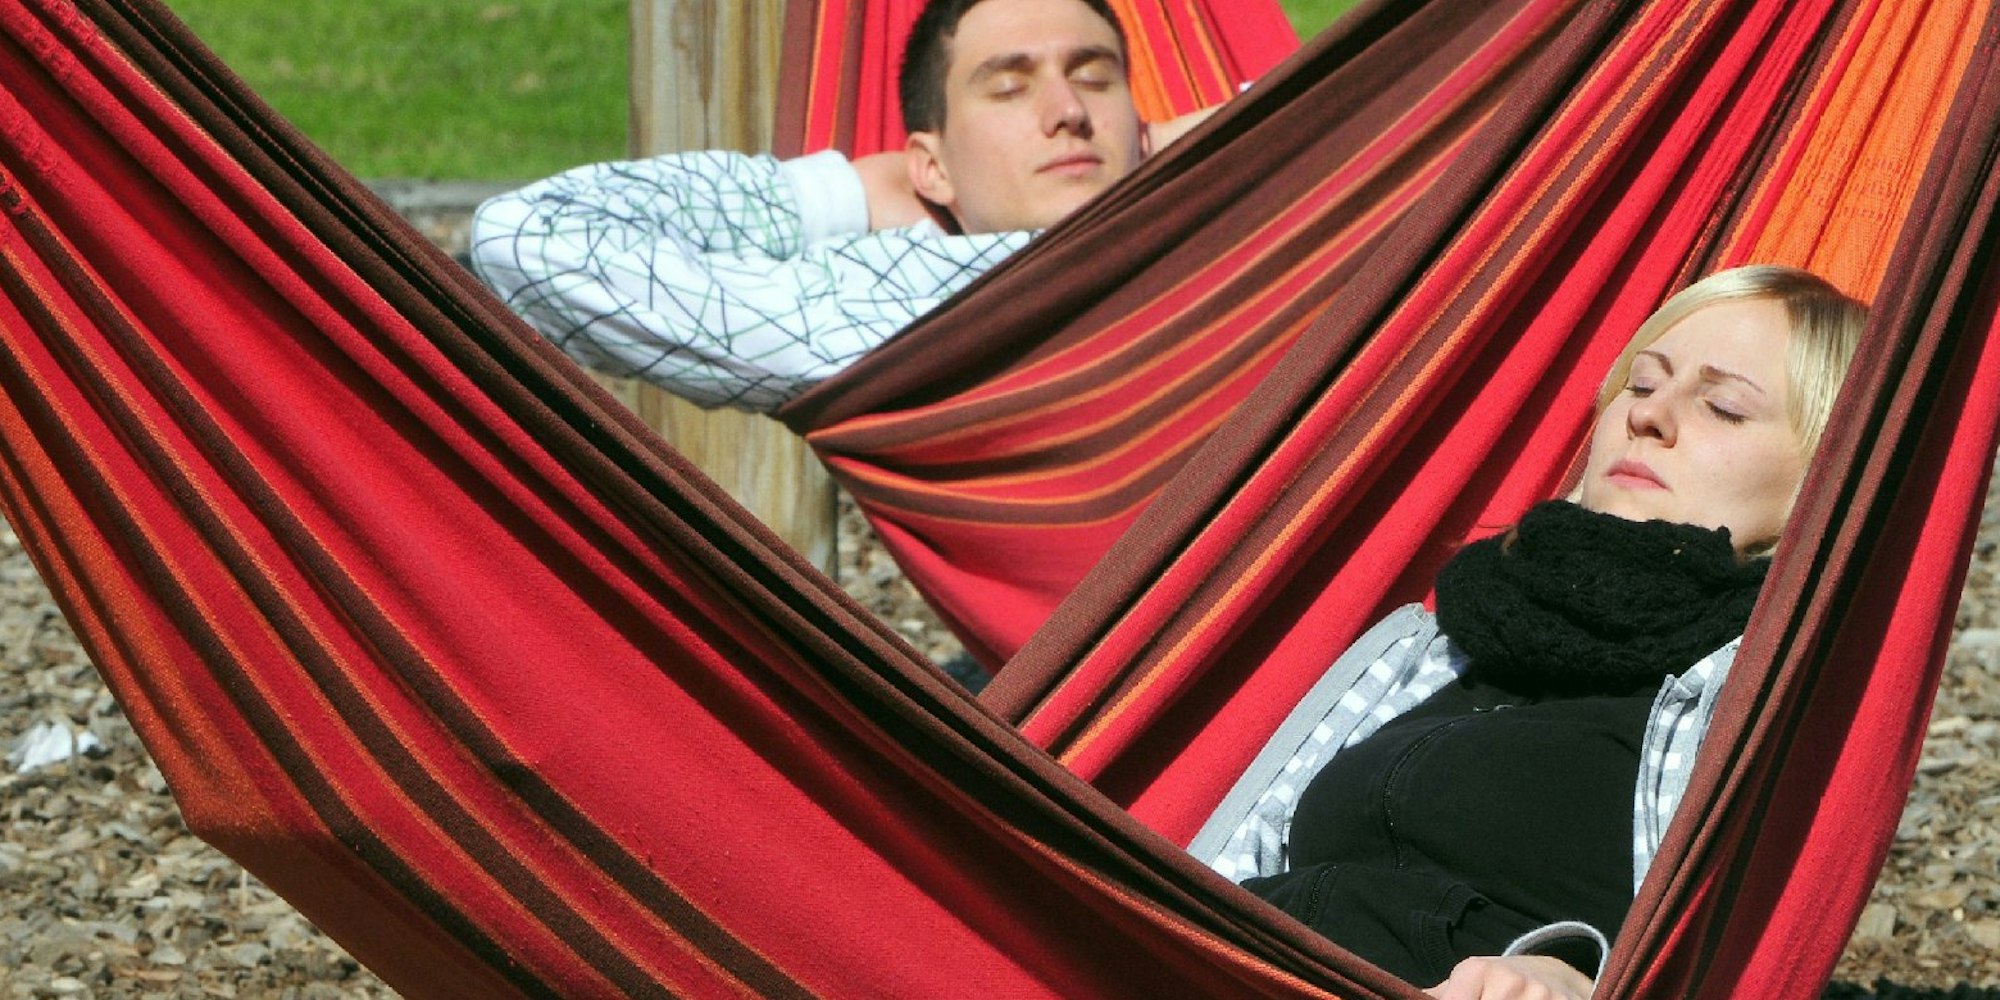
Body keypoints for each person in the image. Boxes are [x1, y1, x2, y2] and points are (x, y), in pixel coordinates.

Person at [1186, 265, 1867, 999]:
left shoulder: (1765, 704)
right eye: (1641, 383)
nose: (1648, 415)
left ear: (1825, 470)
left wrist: (1569, 973)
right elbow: (1221, 876)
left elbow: (1721, 955)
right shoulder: (1434, 649)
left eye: (1724, 408)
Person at [468, 0, 1218, 413]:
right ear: (932, 169)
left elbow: (1311, 127)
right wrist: (850, 193)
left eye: (1094, 78)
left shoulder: (1252, 226)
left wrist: (1191, 150)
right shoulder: (896, 309)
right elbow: (527, 237)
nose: (1069, 113)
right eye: (1009, 88)